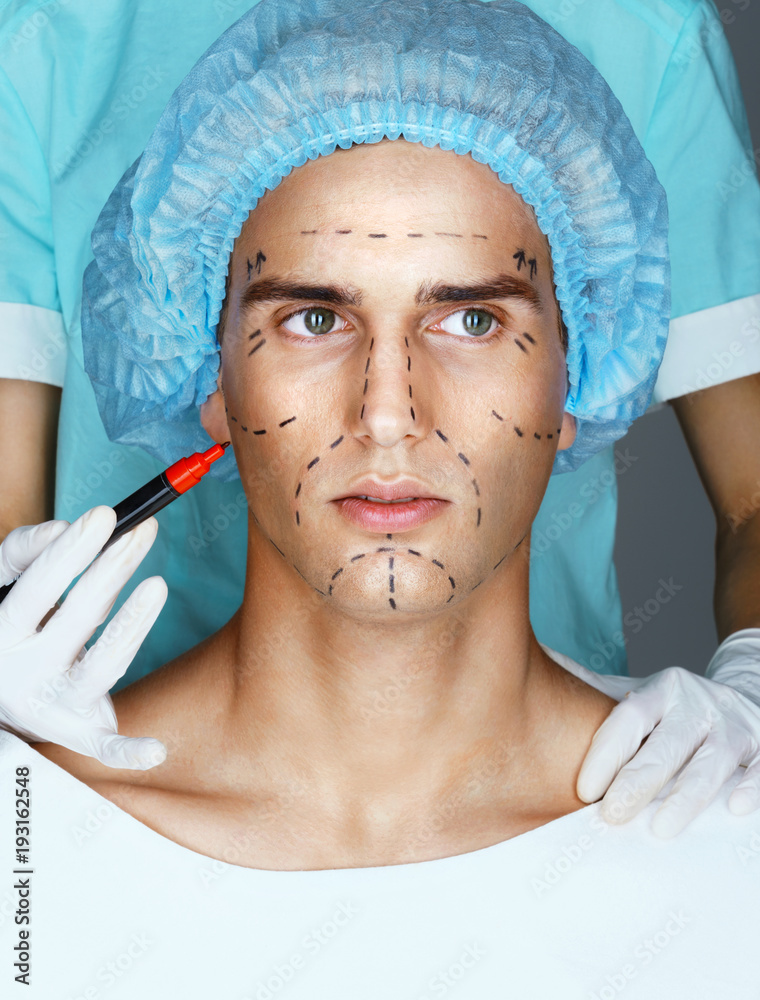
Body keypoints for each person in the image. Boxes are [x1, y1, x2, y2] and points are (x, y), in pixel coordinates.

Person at [2, 4, 759, 996]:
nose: (389, 414)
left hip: (610, 773)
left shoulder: (718, 874)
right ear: (212, 382)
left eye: (473, 317)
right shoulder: (54, 34)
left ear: (578, 377)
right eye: (315, 315)